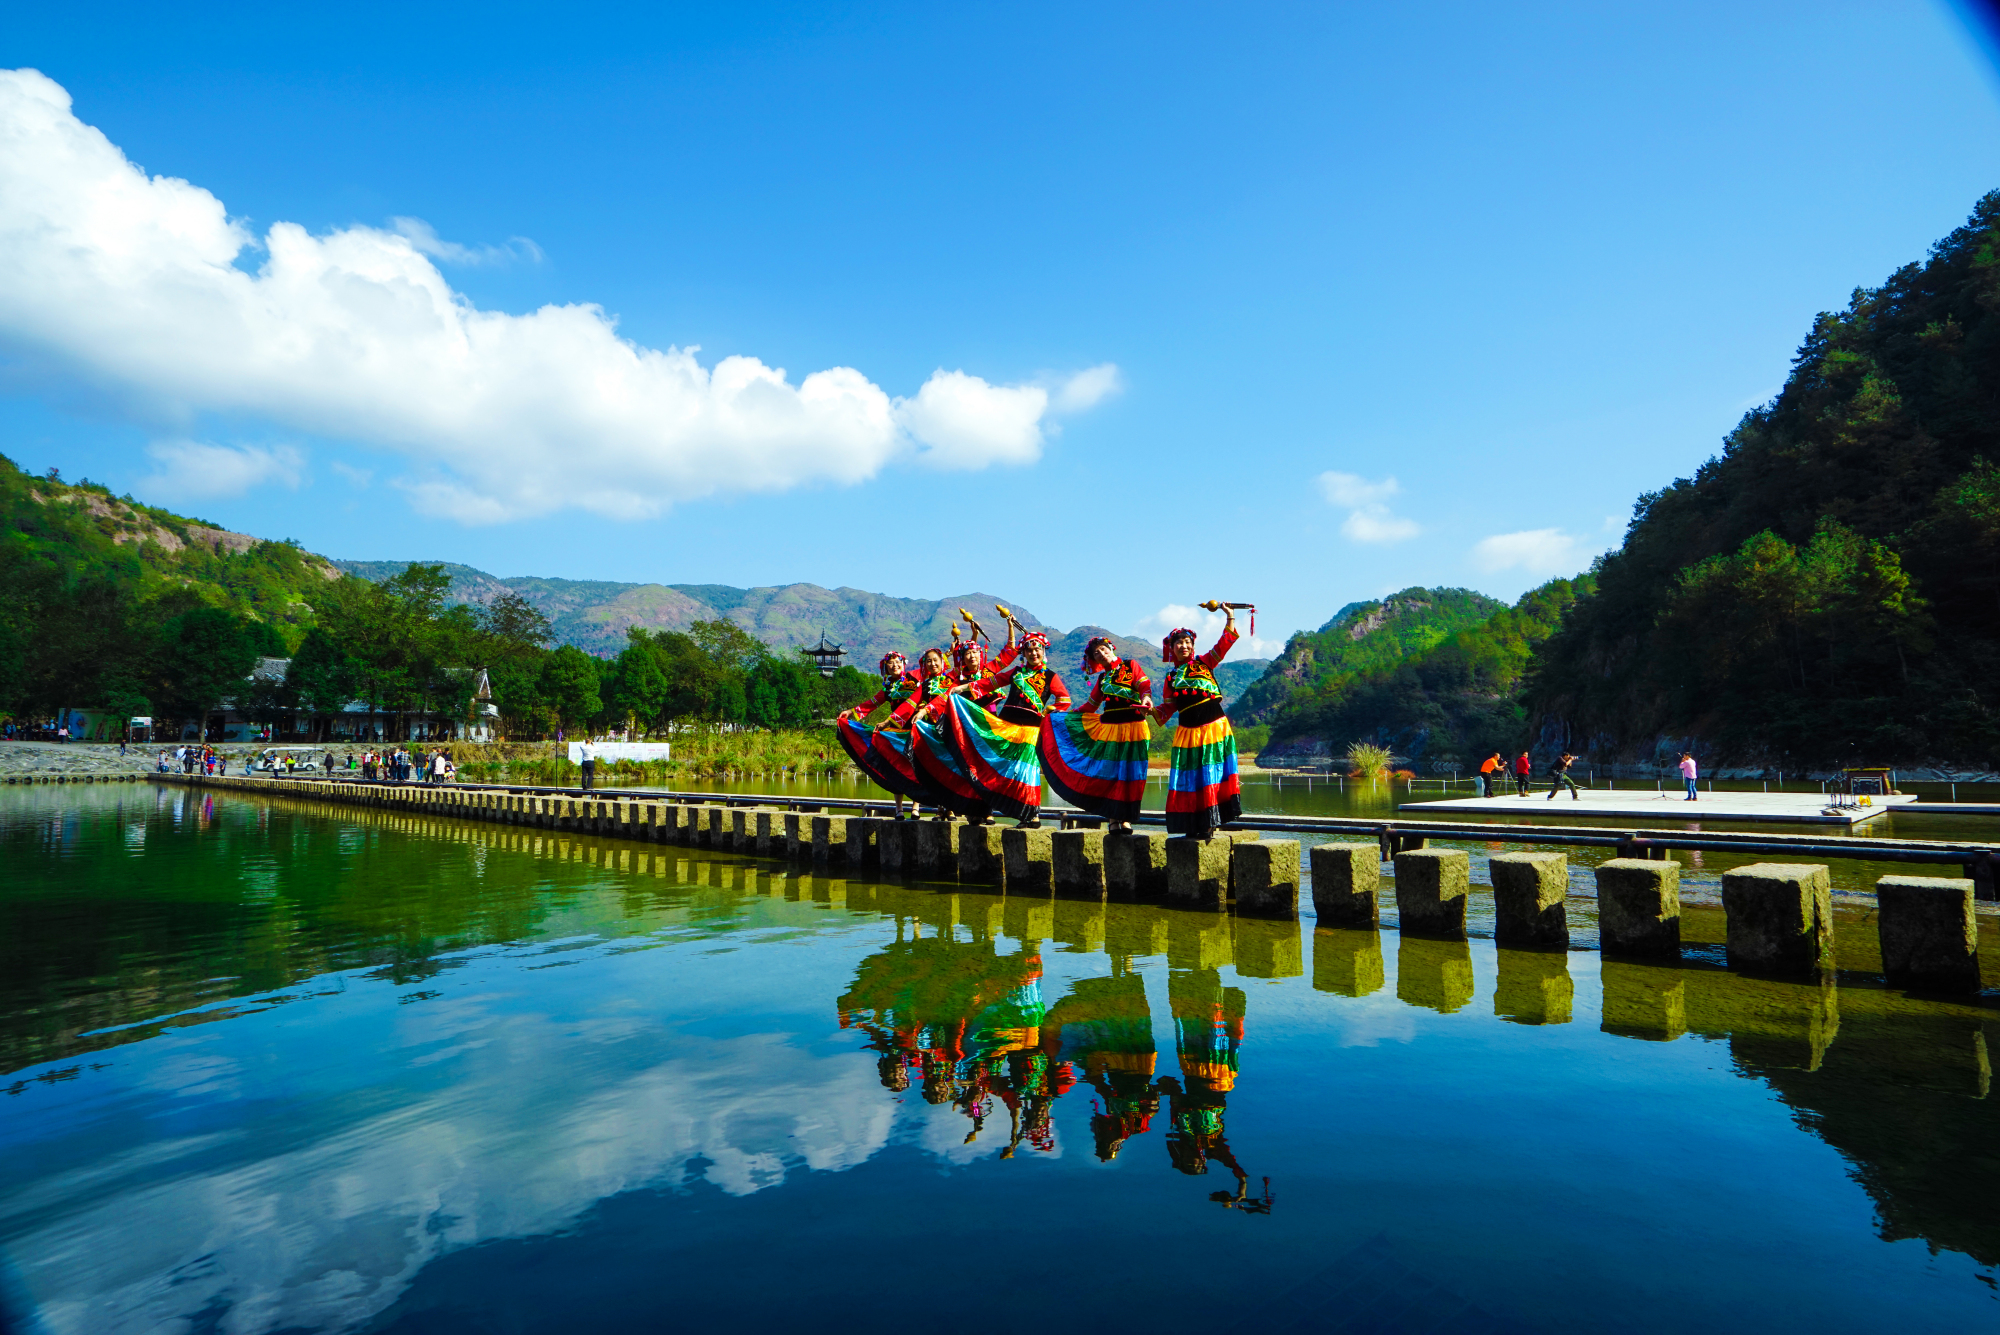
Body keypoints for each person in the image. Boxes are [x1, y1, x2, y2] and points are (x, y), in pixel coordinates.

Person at [927, 631, 1071, 827]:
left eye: (1037, 649)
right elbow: (989, 683)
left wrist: (1051, 710)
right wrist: (961, 689)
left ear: (1043, 651)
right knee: (998, 768)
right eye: (1029, 649)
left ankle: (1033, 815)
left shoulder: (1050, 676)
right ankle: (989, 809)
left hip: (1030, 730)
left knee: (1027, 772)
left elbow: (1064, 699)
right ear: (1024, 653)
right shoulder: (1015, 673)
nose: (1033, 653)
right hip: (1005, 727)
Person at [1040, 636, 1154, 832]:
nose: (1101, 654)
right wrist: (1065, 716)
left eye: (1103, 649)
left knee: (1132, 774)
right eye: (1096, 653)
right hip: (1110, 729)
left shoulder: (1130, 665)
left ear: (1111, 648)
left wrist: (1146, 699)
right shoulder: (1103, 679)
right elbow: (1091, 706)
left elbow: (1144, 686)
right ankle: (1112, 819)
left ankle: (1125, 818)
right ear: (1094, 660)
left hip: (1135, 728)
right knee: (1112, 774)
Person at [1152, 608, 1243, 837]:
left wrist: (1229, 615)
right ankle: (1193, 824)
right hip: (1188, 732)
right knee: (1191, 777)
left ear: (1192, 646)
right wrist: (1150, 710)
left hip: (1213, 728)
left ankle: (1210, 823)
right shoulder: (1171, 678)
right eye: (1178, 643)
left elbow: (1225, 643)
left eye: (1187, 642)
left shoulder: (1205, 662)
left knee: (1210, 774)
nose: (1183, 646)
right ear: (1171, 649)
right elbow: (1168, 708)